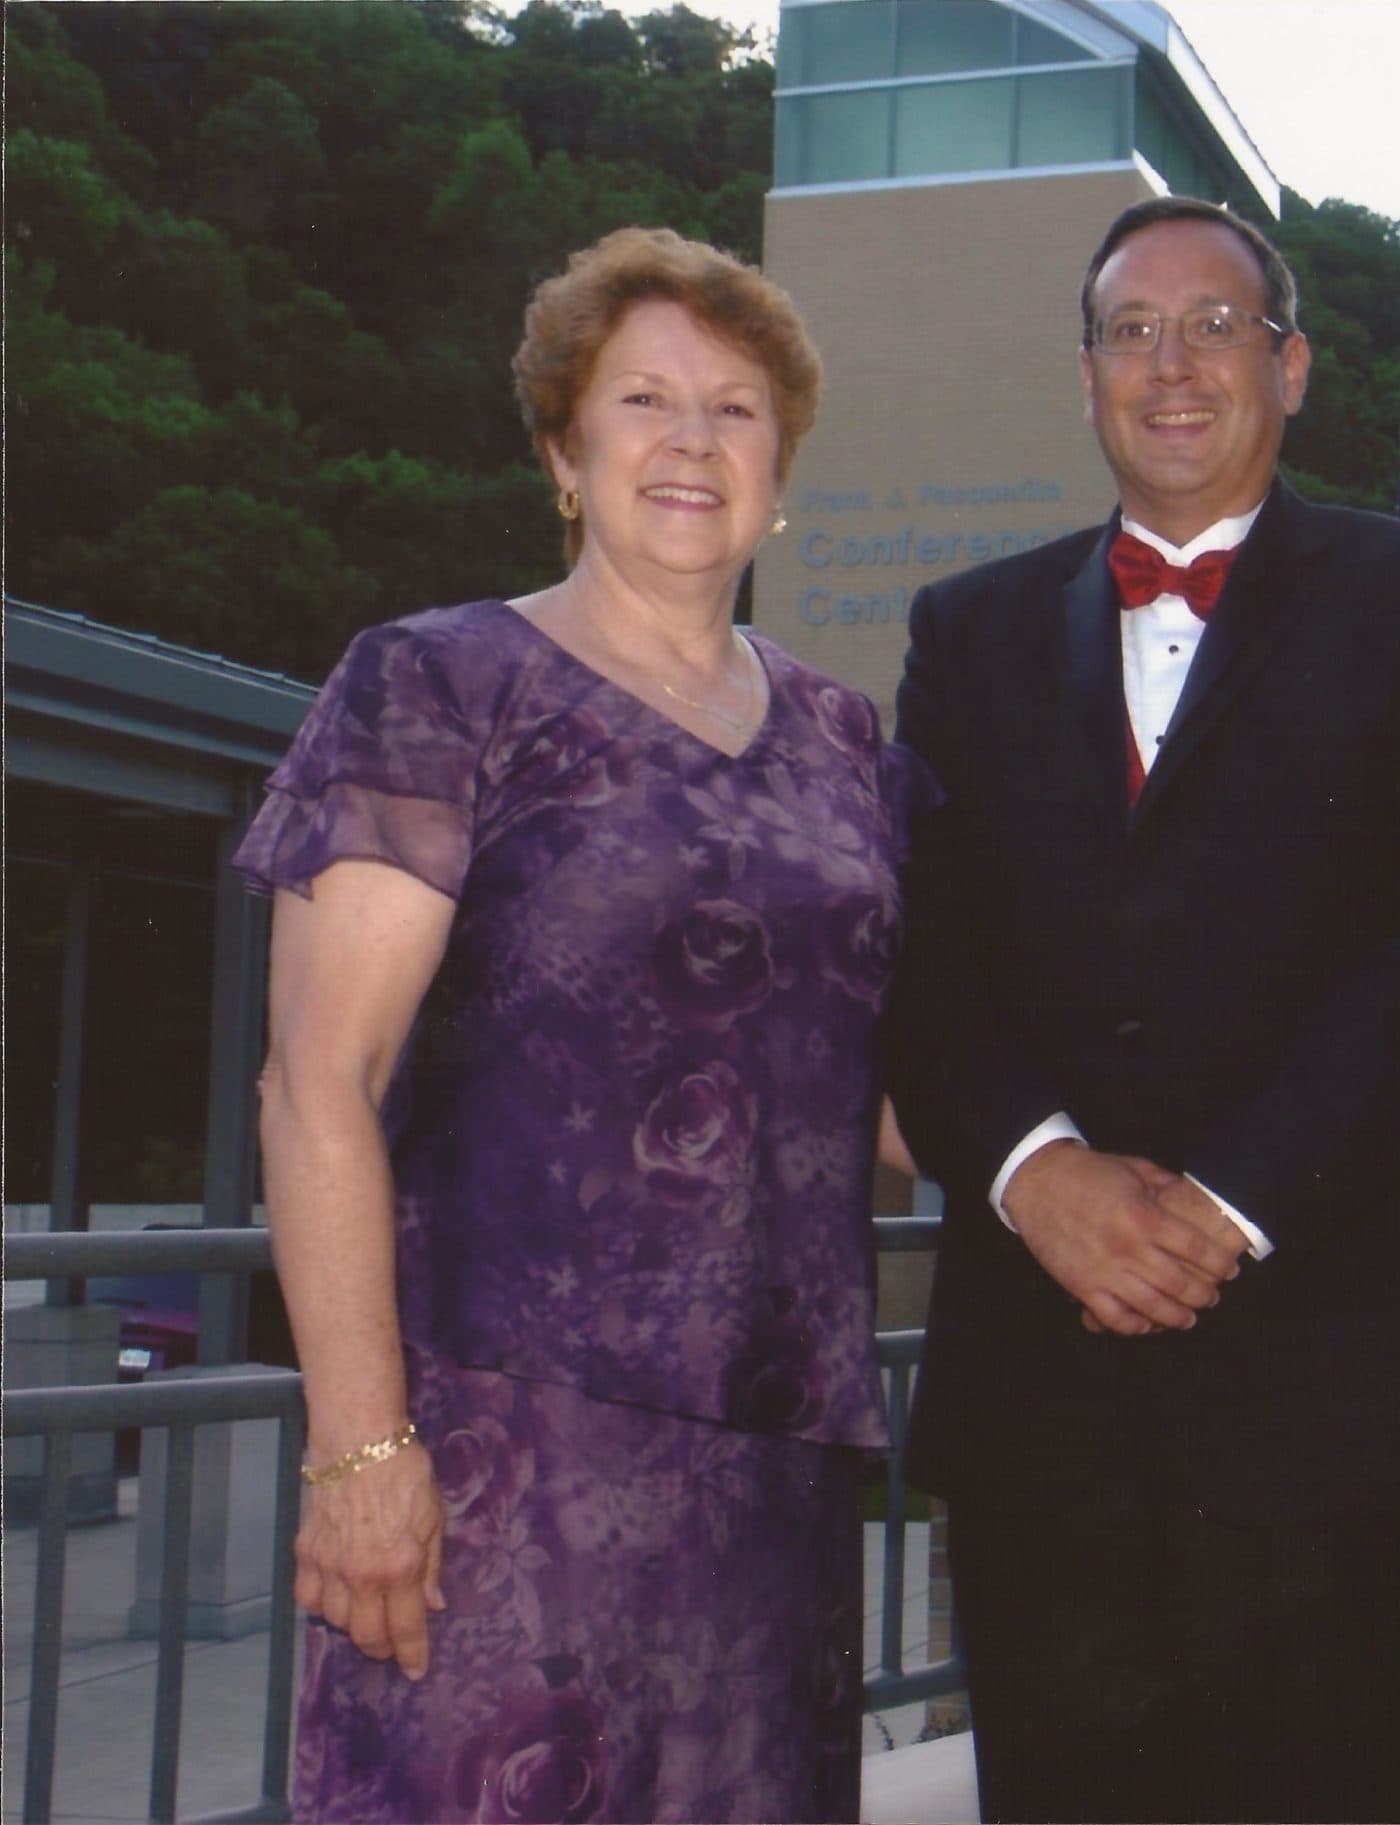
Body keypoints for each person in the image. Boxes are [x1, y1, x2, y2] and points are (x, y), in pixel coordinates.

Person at [238, 226, 924, 1823]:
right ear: (563, 449)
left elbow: (885, 1092)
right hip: (499, 1459)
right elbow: (316, 1076)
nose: (693, 440)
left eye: (737, 410)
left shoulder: (846, 739)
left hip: (774, 1479)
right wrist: (360, 1449)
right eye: (643, 400)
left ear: (779, 472)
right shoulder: (439, 684)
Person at [881, 196, 1400, 1824]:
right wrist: (1038, 1174)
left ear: (1292, 367)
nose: (1171, 363)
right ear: (1086, 377)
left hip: (1328, 1395)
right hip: (1044, 1398)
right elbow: (915, 954)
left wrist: (1225, 1205)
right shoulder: (963, 630)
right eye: (1131, 330)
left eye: (1215, 326)